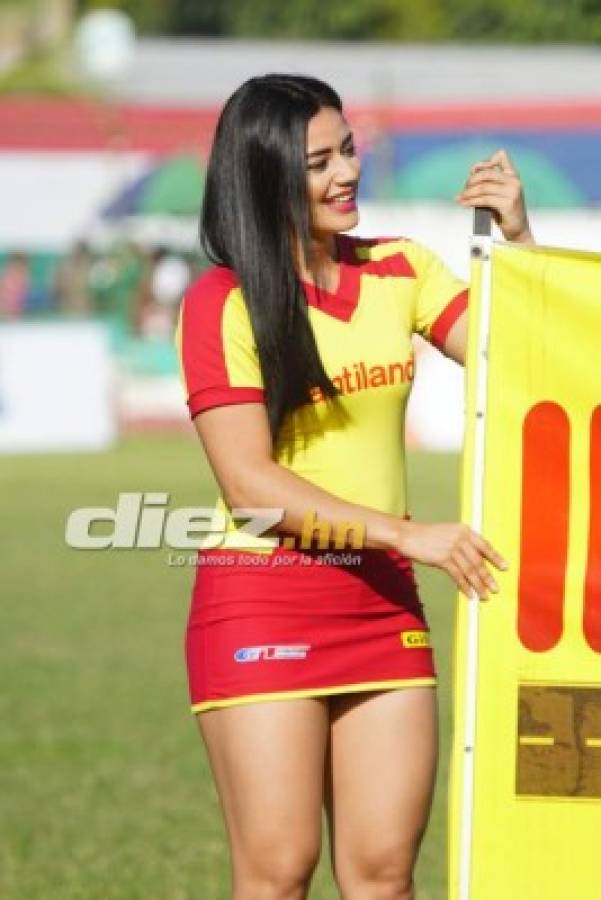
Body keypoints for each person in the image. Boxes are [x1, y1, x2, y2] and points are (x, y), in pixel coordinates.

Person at [175, 74, 533, 900]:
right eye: (316, 162)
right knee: (277, 872)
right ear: (263, 176)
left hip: (381, 607)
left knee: (382, 875)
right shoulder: (220, 303)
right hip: (260, 602)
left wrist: (516, 237)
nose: (345, 174)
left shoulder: (402, 267)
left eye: (347, 149)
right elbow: (250, 487)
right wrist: (410, 534)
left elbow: (515, 356)